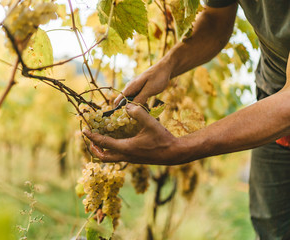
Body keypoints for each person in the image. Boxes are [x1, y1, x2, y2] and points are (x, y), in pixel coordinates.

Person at [83, 0, 290, 239]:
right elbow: (215, 19)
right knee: (271, 226)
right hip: (271, 97)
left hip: (283, 106)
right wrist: (167, 66)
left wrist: (178, 147)